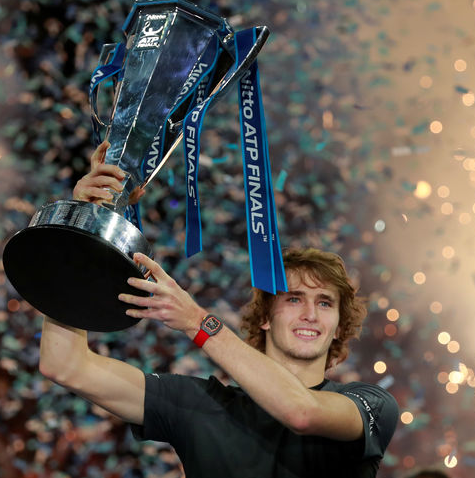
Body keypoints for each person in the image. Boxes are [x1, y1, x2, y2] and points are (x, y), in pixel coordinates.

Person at [38, 141, 398, 477]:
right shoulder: (200, 403)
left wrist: (197, 321)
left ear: (338, 326)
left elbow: (301, 412)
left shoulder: (369, 405)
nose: (310, 313)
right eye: (293, 298)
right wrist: (82, 230)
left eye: (324, 303)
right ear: (265, 318)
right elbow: (64, 364)